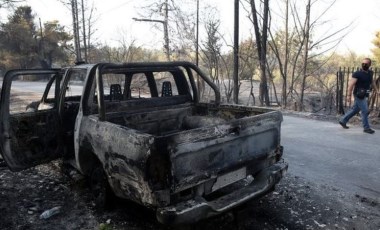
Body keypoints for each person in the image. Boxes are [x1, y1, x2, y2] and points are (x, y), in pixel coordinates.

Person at [339, 58, 378, 134]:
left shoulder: (370, 73)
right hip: (358, 95)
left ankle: (343, 120)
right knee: (365, 110)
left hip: (365, 94)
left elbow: (372, 82)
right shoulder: (357, 73)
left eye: (366, 64)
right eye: (363, 63)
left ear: (370, 64)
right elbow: (350, 85)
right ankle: (366, 128)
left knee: (355, 109)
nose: (364, 65)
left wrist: (377, 90)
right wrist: (348, 96)